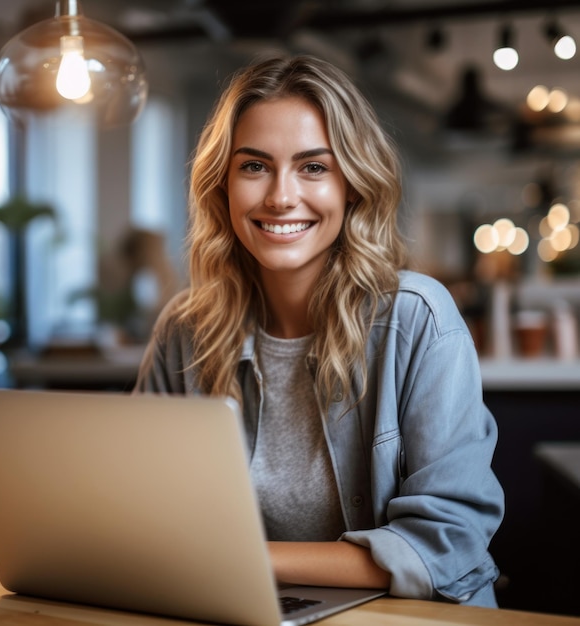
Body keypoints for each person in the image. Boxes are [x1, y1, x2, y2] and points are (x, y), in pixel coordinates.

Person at [133, 54, 504, 607]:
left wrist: (240, 557)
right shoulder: (186, 328)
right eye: (254, 166)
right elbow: (136, 505)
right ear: (224, 186)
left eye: (313, 167)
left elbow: (447, 543)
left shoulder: (417, 318)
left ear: (353, 185)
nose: (281, 196)